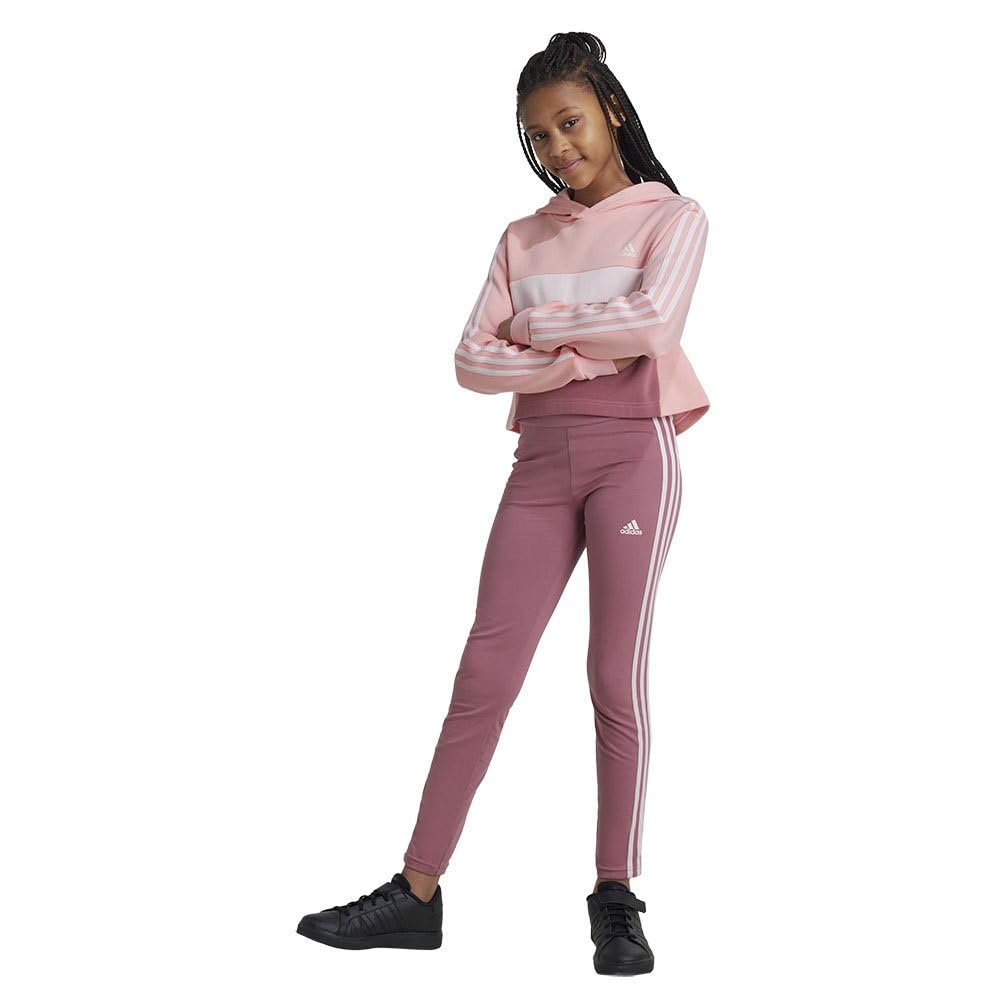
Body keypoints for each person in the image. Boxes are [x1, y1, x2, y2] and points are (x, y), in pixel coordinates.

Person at [297, 31, 710, 976]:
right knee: (484, 673)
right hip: (540, 464)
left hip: (632, 456)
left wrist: (535, 327)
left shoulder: (674, 217)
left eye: (570, 122)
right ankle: (416, 892)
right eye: (539, 135)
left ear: (610, 110)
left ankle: (615, 894)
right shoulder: (521, 237)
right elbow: (469, 361)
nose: (558, 147)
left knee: (613, 675)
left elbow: (654, 324)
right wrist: (574, 356)